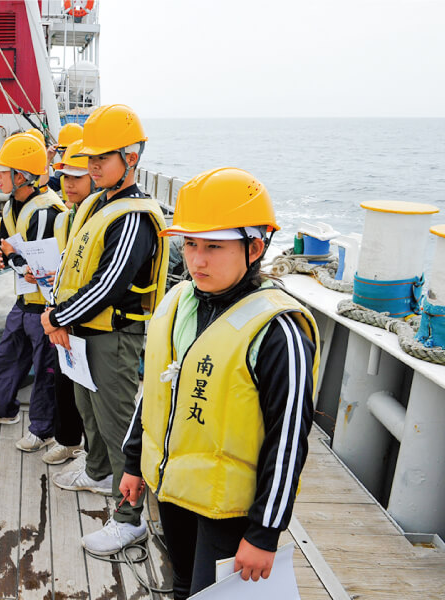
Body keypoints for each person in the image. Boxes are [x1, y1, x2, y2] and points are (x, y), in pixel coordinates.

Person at [119, 167, 319, 598]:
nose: (196, 260)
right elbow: (155, 390)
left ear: (255, 247)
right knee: (182, 584)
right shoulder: (179, 301)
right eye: (190, 244)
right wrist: (134, 462)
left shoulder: (279, 332)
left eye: (214, 246)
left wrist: (265, 531)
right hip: (172, 490)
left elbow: (288, 439)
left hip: (227, 510)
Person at [41, 104, 168, 555]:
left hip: (112, 336)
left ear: (130, 158)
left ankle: (129, 517)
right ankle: (97, 472)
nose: (93, 166)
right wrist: (62, 314)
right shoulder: (98, 201)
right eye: (89, 157)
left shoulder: (132, 215)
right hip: (83, 332)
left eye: (102, 157)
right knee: (87, 409)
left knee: (116, 425)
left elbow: (111, 283)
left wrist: (59, 315)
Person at [0, 132, 66, 453]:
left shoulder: (43, 212)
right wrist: (2, 255)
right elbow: (9, 249)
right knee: (8, 355)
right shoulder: (15, 204)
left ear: (21, 176)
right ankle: (3, 410)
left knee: (45, 370)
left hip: (45, 307)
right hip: (25, 300)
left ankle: (42, 430)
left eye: (3, 171)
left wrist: (9, 256)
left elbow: (33, 267)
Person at [41, 139, 94, 465]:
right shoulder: (66, 217)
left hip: (87, 316)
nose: (67, 183)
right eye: (64, 175)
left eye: (77, 176)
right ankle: (69, 440)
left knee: (93, 392)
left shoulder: (102, 217)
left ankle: (94, 456)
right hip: (62, 311)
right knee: (65, 381)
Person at [46, 122, 83, 194]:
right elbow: (44, 186)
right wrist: (48, 159)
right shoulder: (63, 174)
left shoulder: (91, 174)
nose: (64, 155)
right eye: (63, 151)